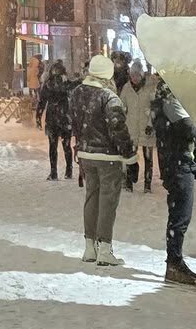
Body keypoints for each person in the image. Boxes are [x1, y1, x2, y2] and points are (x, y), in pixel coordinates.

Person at [70, 53, 137, 266]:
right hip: (108, 157)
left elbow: (75, 124)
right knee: (108, 202)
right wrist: (130, 155)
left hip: (85, 155)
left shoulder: (77, 93)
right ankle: (105, 249)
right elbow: (117, 128)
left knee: (91, 198)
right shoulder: (109, 97)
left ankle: (90, 247)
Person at [152, 78, 196, 287]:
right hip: (176, 163)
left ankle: (174, 262)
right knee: (180, 215)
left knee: (181, 214)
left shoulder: (174, 94)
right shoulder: (169, 95)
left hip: (179, 161)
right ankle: (174, 264)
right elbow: (189, 129)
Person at [119, 59, 156, 192]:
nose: (134, 78)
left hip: (147, 127)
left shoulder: (150, 87)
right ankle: (129, 181)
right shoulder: (126, 88)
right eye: (132, 75)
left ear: (141, 75)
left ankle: (147, 184)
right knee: (130, 156)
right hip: (131, 127)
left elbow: (154, 107)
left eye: (137, 75)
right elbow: (122, 106)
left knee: (148, 158)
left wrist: (150, 123)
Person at [34, 60, 75, 180]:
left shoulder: (48, 85)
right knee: (66, 145)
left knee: (53, 146)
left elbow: (41, 102)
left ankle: (53, 172)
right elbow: (74, 101)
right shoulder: (67, 84)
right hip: (65, 118)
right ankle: (69, 171)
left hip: (52, 119)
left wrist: (38, 117)